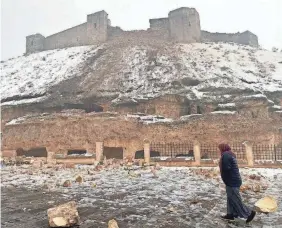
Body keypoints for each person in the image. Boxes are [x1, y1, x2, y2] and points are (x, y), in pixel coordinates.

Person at [218, 143, 256, 223]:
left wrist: (220, 164)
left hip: (232, 181)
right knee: (230, 198)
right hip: (234, 180)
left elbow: (227, 168)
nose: (219, 150)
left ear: (223, 148)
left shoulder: (225, 155)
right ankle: (231, 214)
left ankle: (249, 213)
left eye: (220, 148)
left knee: (235, 199)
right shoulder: (231, 154)